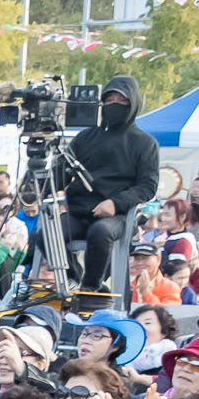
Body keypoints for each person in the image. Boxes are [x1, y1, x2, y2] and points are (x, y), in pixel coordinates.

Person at [62, 76, 158, 290]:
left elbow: (148, 185)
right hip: (79, 213)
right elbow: (62, 173)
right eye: (109, 100)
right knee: (48, 232)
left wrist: (115, 203)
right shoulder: (85, 138)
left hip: (119, 216)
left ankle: (91, 288)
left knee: (101, 232)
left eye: (121, 100)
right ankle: (72, 279)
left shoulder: (144, 143)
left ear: (132, 103)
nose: (114, 105)